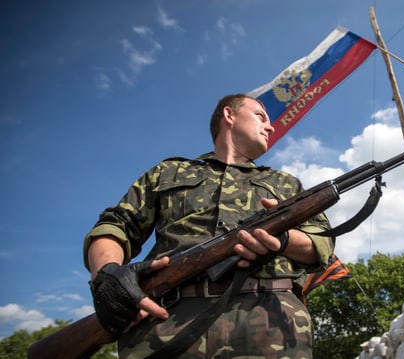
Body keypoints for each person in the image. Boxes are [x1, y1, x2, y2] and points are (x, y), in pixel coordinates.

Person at [83, 94, 335, 358]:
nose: (270, 127)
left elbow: (321, 243)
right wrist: (107, 274)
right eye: (260, 116)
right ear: (229, 115)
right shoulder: (169, 172)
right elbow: (116, 224)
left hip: (273, 324)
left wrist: (283, 239)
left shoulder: (285, 183)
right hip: (166, 325)